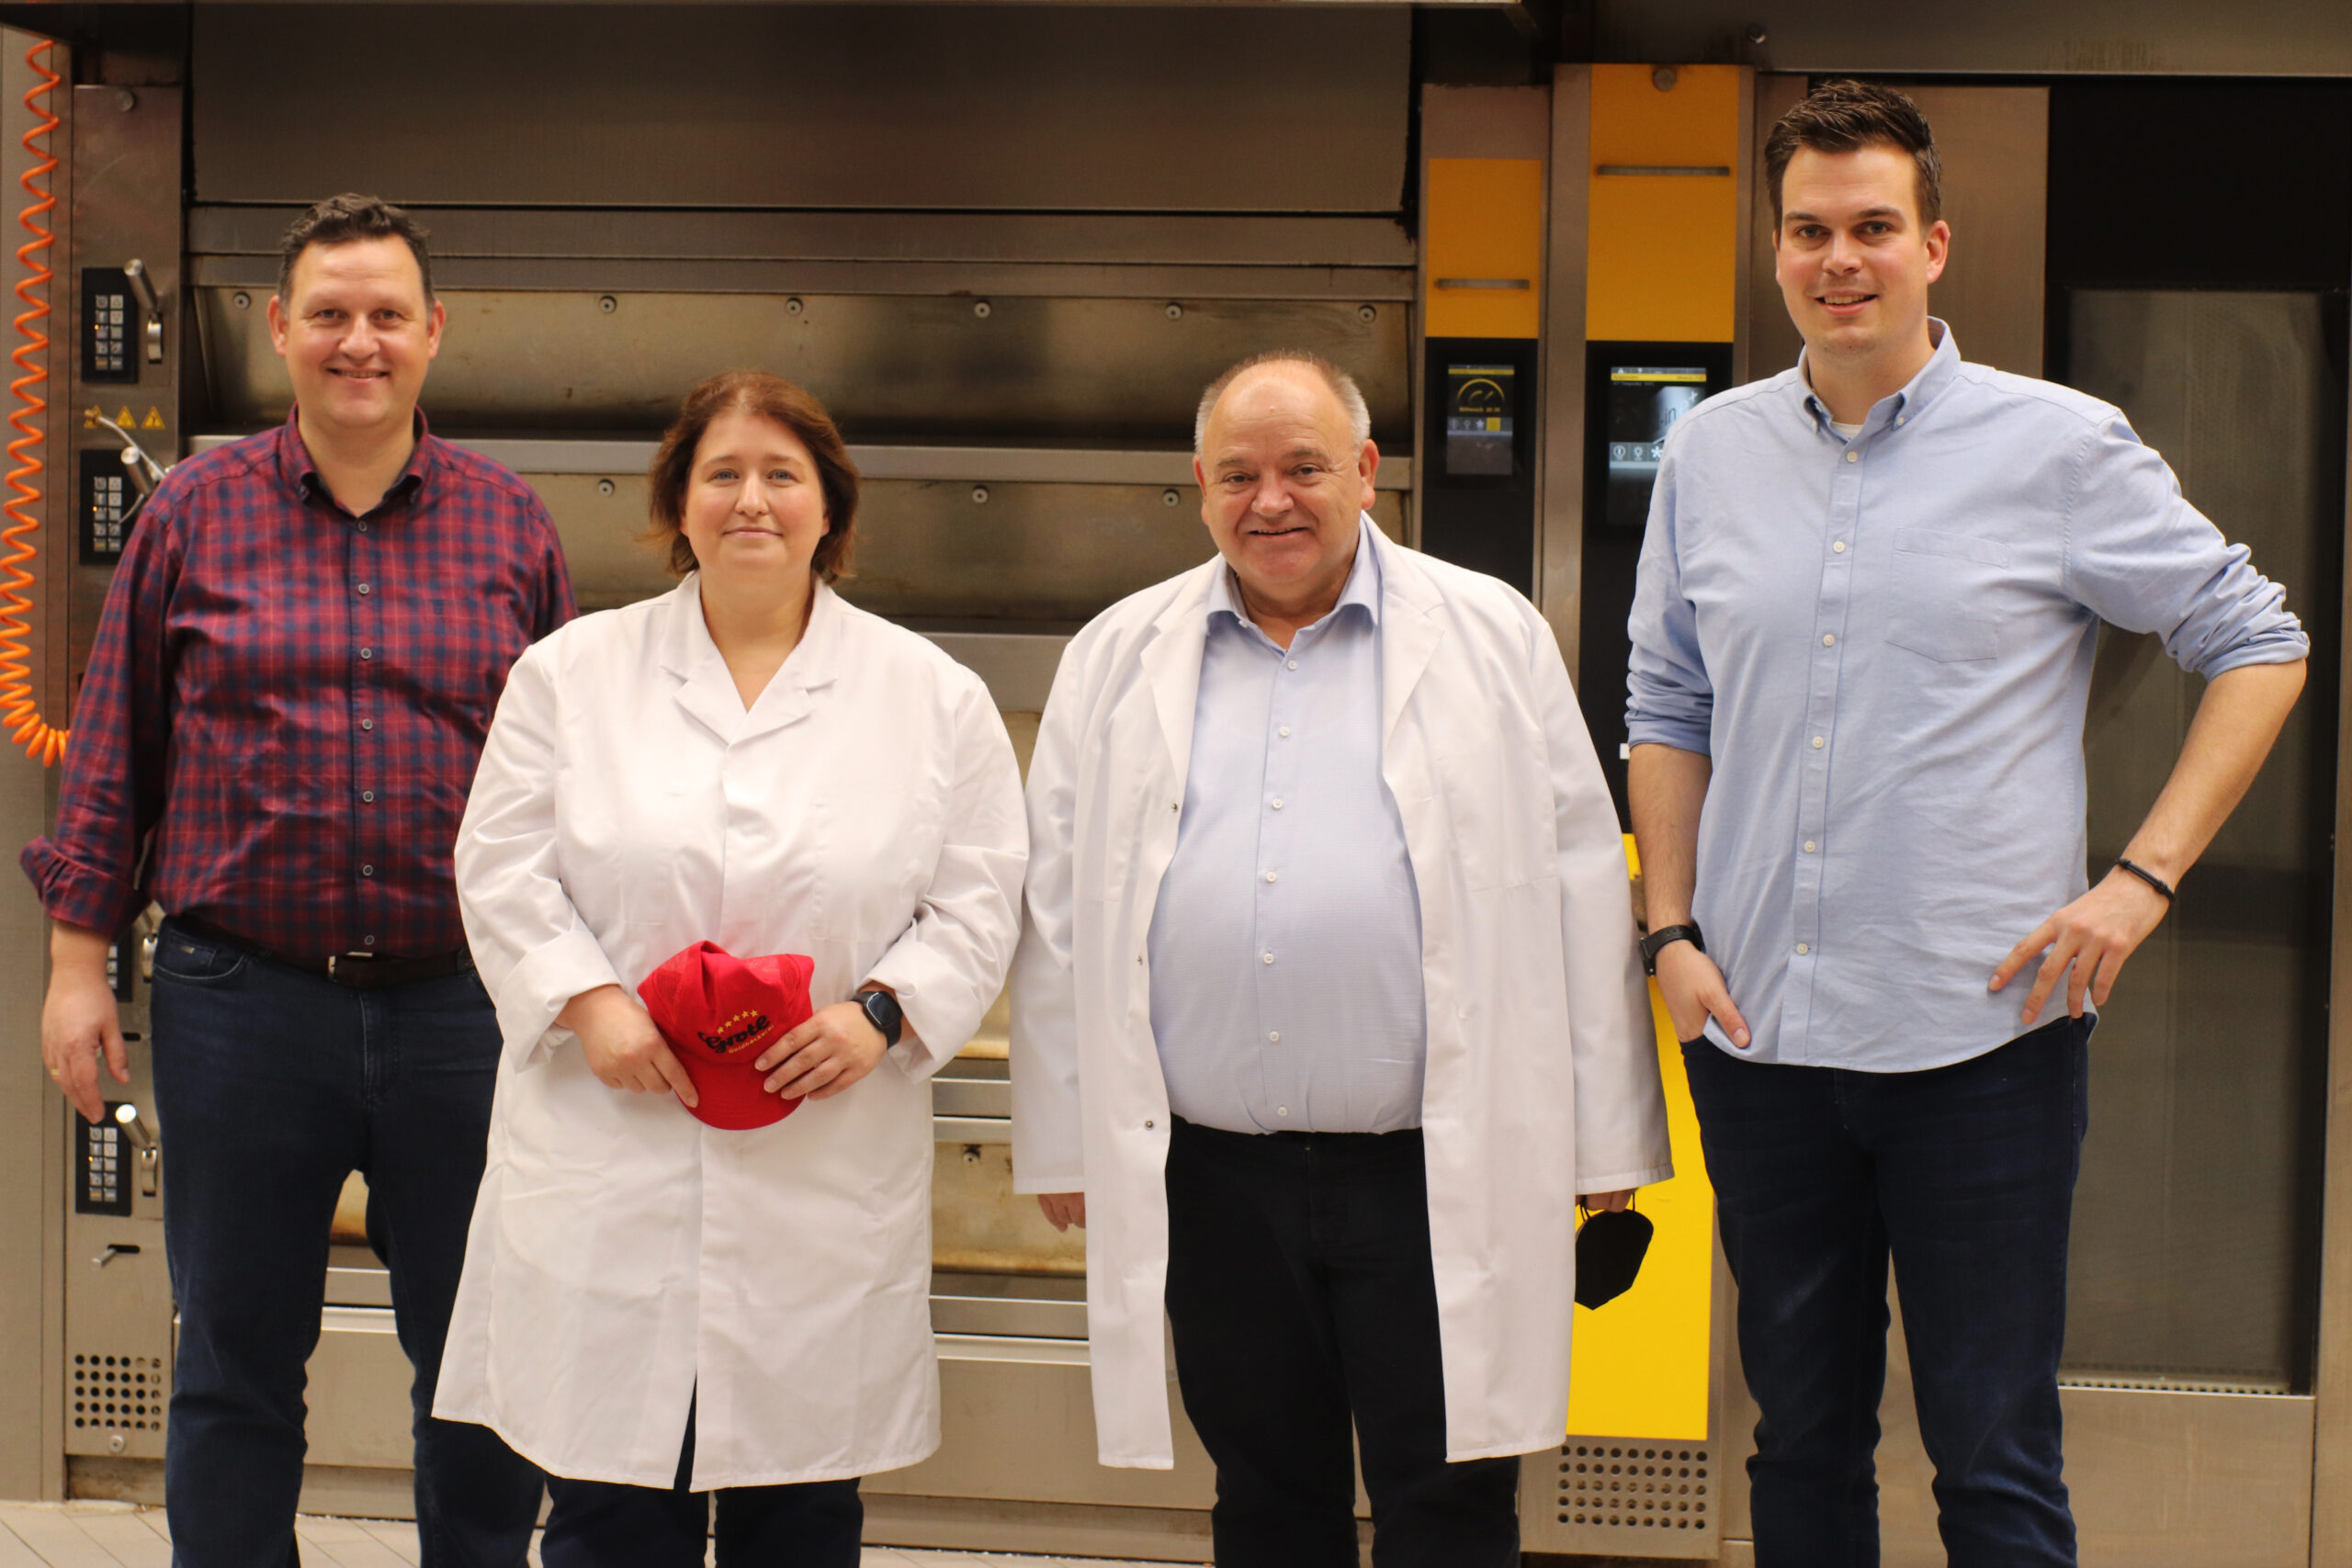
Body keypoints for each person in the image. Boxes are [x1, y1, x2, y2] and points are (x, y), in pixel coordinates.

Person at [1625, 81, 2308, 1568]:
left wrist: (2139, 880)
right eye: (1808, 230)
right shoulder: (1710, 456)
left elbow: (2260, 642)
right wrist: (1667, 930)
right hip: (1760, 1040)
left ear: (1935, 243)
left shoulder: (2059, 447)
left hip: (1981, 1042)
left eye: (1873, 226)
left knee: (1993, 1456)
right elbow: (1668, 703)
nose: (1838, 259)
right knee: (1799, 1443)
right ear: (1776, 248)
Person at [1011, 349, 1671, 1566]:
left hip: (1437, 1165)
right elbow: (1057, 908)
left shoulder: (1490, 634)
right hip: (1215, 1180)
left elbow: (1585, 884)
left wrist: (1605, 1140)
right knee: (1268, 1499)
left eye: (1305, 467)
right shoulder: (1115, 655)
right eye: (1240, 474)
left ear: (1366, 473)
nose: (1273, 500)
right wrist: (1064, 1132)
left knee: (1451, 1503)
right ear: (1199, 488)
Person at [22, 194, 562, 1567]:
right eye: (329, 314)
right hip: (240, 1003)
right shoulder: (194, 511)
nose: (358, 342)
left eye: (387, 315)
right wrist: (75, 971)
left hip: (468, 1015)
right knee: (234, 1366)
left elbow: (577, 779)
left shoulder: (510, 525)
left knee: (484, 1369)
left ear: (435, 333)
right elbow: (112, 755)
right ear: (278, 332)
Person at [433, 369, 1026, 1567]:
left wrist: (879, 1015)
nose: (750, 500)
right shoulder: (571, 674)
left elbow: (980, 895)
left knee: (800, 1511)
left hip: (820, 1155)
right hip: (613, 1141)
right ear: (679, 505)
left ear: (829, 509)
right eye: (722, 475)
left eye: (781, 475)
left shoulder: (931, 697)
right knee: (609, 1507)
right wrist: (589, 1002)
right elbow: (499, 864)